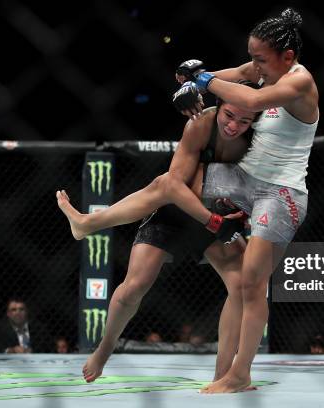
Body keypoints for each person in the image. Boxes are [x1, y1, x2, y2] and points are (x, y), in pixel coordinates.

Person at [57, 8, 318, 392]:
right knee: (168, 183)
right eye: (253, 58)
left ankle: (237, 375)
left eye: (261, 59)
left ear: (287, 57)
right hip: (242, 183)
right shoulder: (216, 112)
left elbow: (245, 96)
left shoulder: (299, 82)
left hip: (280, 192)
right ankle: (89, 223)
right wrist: (190, 83)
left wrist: (204, 79)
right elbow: (229, 80)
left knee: (250, 282)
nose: (254, 66)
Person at [72, 82, 261, 384]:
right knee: (135, 285)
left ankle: (224, 375)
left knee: (241, 286)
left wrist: (248, 213)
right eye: (229, 115)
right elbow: (173, 187)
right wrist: (196, 78)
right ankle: (104, 349)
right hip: (177, 212)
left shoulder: (260, 143)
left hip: (216, 218)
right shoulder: (200, 125)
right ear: (219, 106)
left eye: (244, 120)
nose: (234, 125)